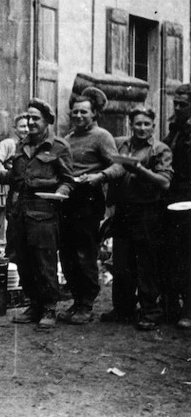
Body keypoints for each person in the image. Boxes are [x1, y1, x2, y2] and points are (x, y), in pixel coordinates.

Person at [0, 98, 74, 329]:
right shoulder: (21, 145)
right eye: (28, 117)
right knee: (22, 260)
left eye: (35, 118)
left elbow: (68, 180)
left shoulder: (59, 147)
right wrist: (0, 175)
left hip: (43, 212)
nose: (30, 122)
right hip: (19, 212)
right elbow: (17, 177)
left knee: (44, 261)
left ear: (48, 121)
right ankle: (34, 305)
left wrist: (60, 192)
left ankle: (49, 307)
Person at [102, 107, 172, 330]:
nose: (142, 128)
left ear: (153, 125)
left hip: (147, 212)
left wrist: (138, 168)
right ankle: (123, 309)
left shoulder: (160, 150)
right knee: (122, 261)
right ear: (130, 124)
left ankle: (150, 311)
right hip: (123, 211)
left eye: (146, 124)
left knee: (146, 262)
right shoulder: (121, 144)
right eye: (137, 124)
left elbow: (164, 182)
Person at [58, 87, 122, 325]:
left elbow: (119, 166)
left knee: (84, 253)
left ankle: (86, 304)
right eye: (75, 112)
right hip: (66, 201)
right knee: (66, 253)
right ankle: (76, 300)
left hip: (88, 200)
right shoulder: (67, 139)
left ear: (94, 114)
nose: (78, 116)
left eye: (84, 112)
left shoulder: (102, 136)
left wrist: (100, 176)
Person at [162, 84, 191, 329]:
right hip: (172, 198)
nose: (178, 108)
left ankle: (188, 310)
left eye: (184, 104)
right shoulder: (175, 129)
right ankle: (171, 307)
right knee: (172, 253)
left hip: (189, 197)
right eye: (176, 104)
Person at [0, 112, 30, 248]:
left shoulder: (35, 145)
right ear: (14, 129)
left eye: (28, 126)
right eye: (22, 126)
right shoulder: (10, 144)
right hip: (16, 194)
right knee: (15, 232)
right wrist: (6, 174)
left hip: (33, 195)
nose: (26, 130)